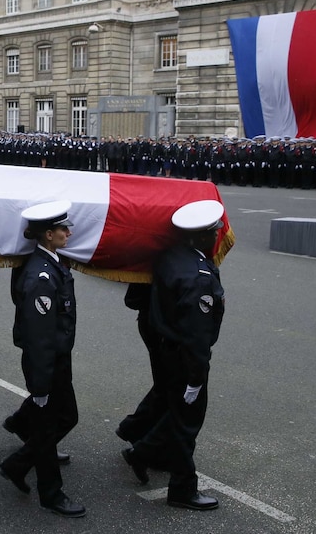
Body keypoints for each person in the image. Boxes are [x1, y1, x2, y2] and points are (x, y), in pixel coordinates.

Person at [120, 200, 225, 511]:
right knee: (187, 422)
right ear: (202, 237)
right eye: (213, 234)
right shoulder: (199, 276)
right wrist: (196, 376)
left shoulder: (169, 257)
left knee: (176, 411)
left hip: (165, 345)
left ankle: (143, 452)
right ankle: (182, 489)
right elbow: (197, 333)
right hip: (183, 355)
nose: (217, 238)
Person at [0, 200, 86, 518]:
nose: (69, 232)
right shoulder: (41, 278)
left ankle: (17, 464)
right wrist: (40, 384)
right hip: (47, 364)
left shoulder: (51, 264)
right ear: (48, 235)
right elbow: (38, 338)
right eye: (63, 229)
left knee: (66, 417)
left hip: (57, 360)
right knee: (49, 427)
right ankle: (51, 494)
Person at [115, 283, 169, 468]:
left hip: (157, 323)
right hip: (161, 327)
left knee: (166, 386)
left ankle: (134, 429)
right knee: (171, 388)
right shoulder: (164, 259)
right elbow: (133, 298)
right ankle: (144, 446)